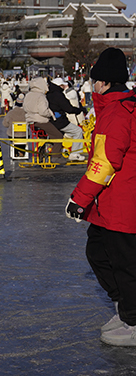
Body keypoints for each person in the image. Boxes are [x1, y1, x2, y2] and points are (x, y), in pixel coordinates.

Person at [66, 48, 136, 346]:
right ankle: (125, 308)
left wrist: (79, 199)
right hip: (111, 202)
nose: (91, 85)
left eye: (94, 80)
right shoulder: (117, 107)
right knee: (97, 250)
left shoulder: (118, 112)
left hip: (123, 203)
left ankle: (133, 320)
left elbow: (105, 162)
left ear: (104, 82)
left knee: (124, 263)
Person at [47, 77, 86, 161]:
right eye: (62, 86)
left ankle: (62, 149)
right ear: (59, 86)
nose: (63, 87)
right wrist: (79, 110)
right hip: (60, 121)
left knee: (63, 134)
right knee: (77, 131)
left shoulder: (48, 95)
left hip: (50, 121)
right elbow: (68, 108)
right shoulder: (58, 95)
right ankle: (75, 154)